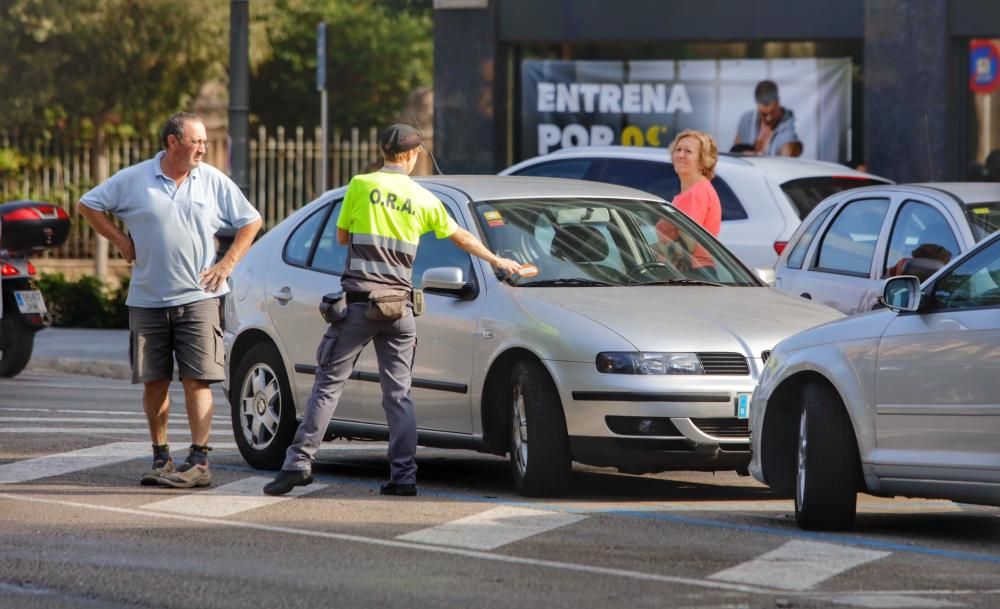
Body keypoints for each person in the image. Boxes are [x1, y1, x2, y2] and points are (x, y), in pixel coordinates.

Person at [264, 124, 523, 497]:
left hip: (358, 305)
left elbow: (340, 237)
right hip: (399, 310)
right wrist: (498, 259)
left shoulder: (361, 185)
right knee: (399, 395)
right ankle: (403, 477)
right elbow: (461, 237)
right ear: (413, 156)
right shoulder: (423, 197)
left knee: (327, 387)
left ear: (383, 152)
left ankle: (299, 465)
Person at [77, 112, 262, 489]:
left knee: (198, 380)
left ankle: (199, 461)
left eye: (205, 142)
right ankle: (161, 457)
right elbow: (88, 205)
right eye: (197, 141)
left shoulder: (211, 180)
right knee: (154, 382)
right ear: (173, 142)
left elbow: (251, 220)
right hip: (147, 299)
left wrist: (226, 265)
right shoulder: (134, 179)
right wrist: (121, 241)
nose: (204, 148)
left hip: (199, 297)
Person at [655, 130, 722, 279]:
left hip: (691, 275)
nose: (680, 155)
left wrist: (649, 250)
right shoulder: (695, 191)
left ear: (703, 161)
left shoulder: (696, 194)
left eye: (688, 151)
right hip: (694, 273)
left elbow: (684, 249)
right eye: (678, 150)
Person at [733, 80, 803, 157]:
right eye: (764, 114)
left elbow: (787, 160)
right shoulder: (746, 120)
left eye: (773, 112)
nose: (769, 118)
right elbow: (734, 153)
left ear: (778, 102)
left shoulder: (790, 130)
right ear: (757, 105)